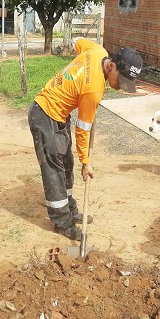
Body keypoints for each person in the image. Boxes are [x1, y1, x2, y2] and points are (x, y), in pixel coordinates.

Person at [28, 38, 143, 240]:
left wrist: (77, 72)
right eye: (121, 80)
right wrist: (86, 163)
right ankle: (62, 222)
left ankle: (70, 210)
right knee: (54, 169)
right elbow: (83, 130)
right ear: (112, 66)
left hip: (59, 115)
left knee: (66, 163)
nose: (121, 86)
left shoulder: (97, 50)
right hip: (44, 114)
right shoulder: (93, 90)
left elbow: (77, 42)